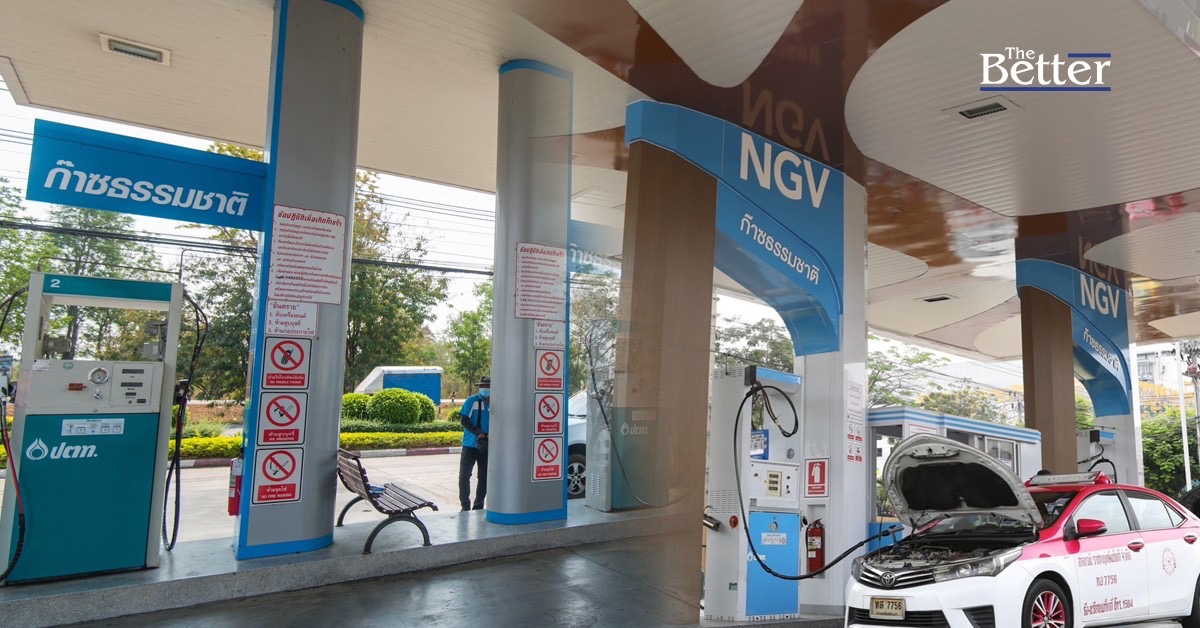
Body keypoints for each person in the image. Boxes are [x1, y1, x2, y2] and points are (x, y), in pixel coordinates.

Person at [458, 375, 491, 511]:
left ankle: (478, 505)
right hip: (470, 444)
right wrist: (479, 433)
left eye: (487, 386)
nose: (484, 388)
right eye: (482, 386)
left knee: (484, 477)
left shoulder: (496, 402)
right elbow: (464, 420)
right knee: (464, 475)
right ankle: (465, 505)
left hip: (487, 445)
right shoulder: (472, 401)